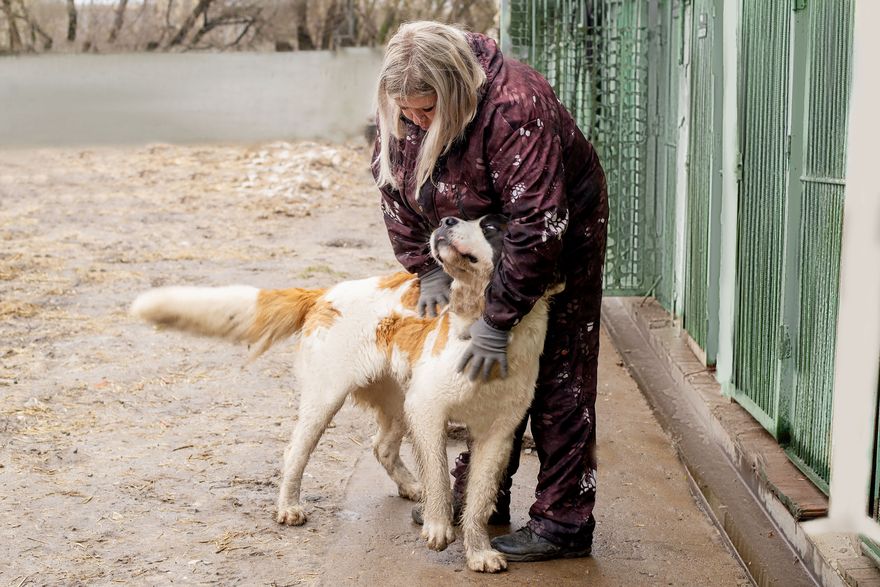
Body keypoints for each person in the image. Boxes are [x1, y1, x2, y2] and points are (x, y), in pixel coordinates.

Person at [371, 20, 608, 562]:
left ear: (456, 88)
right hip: (470, 236)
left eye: (426, 110)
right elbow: (394, 187)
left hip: (554, 235)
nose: (415, 120)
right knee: (477, 368)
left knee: (554, 371)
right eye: (406, 109)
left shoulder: (515, 105)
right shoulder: (403, 107)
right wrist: (424, 266)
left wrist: (499, 321)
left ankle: (562, 520)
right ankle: (483, 494)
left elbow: (537, 225)